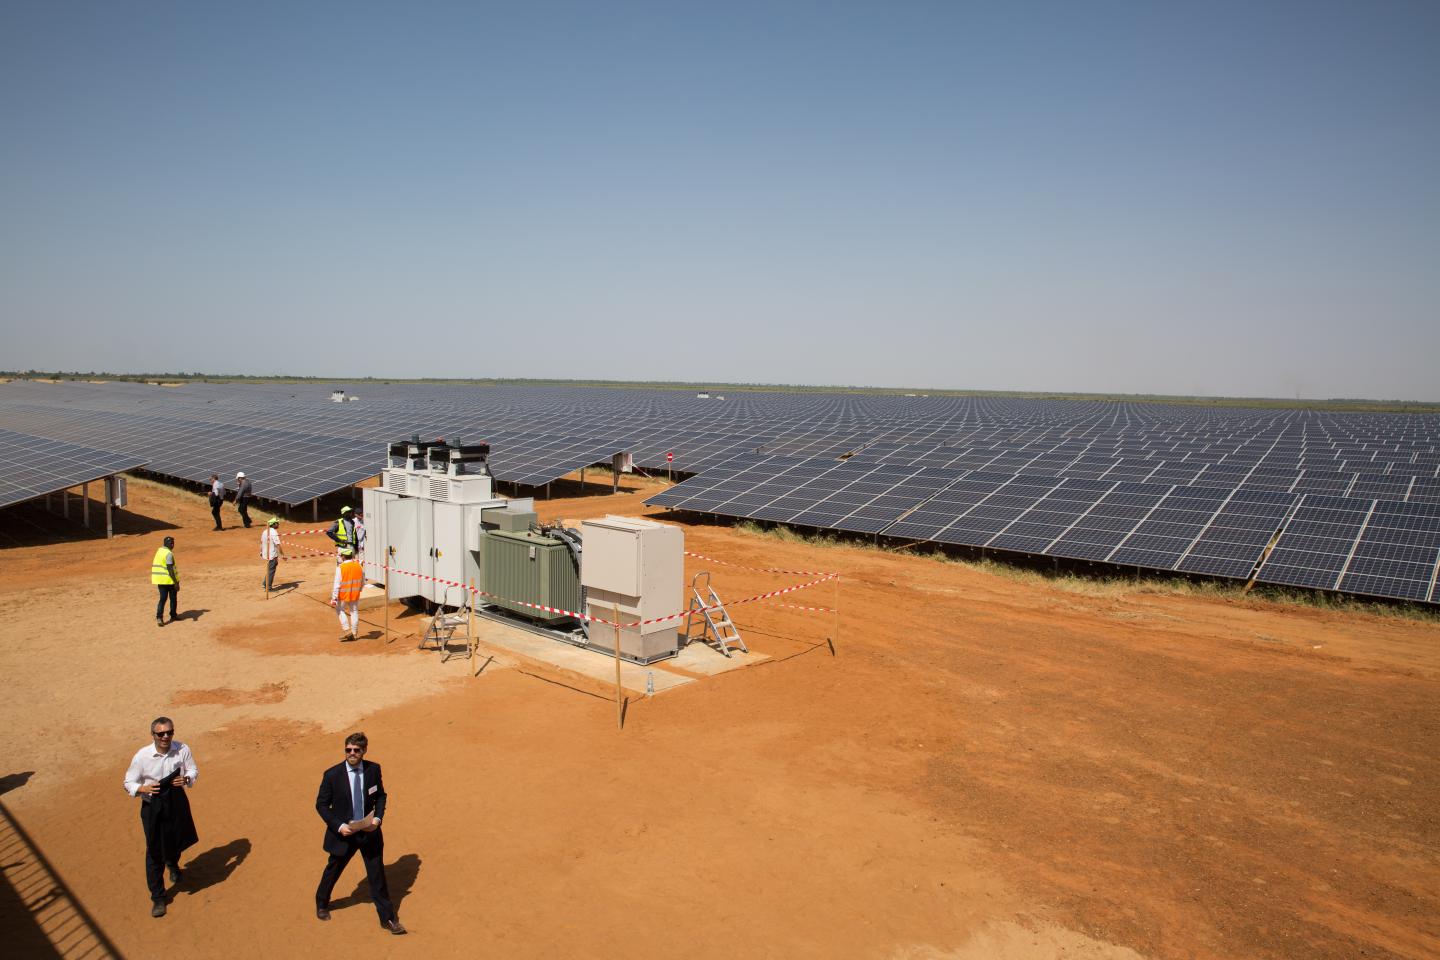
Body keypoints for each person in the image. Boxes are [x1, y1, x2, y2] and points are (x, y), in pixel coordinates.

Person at [314, 732, 405, 934]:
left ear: (364, 751)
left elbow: (380, 796)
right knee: (334, 869)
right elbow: (321, 805)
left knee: (377, 875)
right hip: (344, 833)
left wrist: (377, 819)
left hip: (369, 831)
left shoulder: (373, 769)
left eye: (356, 750)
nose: (351, 753)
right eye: (348, 750)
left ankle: (388, 919)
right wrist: (339, 826)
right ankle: (322, 902)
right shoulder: (332, 775)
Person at [123, 716, 199, 918]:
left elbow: (193, 769)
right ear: (153, 735)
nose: (166, 736)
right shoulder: (142, 756)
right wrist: (143, 788)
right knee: (154, 851)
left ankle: (173, 864)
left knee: (177, 839)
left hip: (176, 802)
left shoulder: (182, 749)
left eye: (169, 732)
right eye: (161, 733)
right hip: (152, 806)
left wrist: (187, 778)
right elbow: (128, 782)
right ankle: (158, 897)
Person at [330, 546, 364, 641]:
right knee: (354, 612)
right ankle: (354, 633)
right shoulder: (358, 565)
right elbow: (363, 580)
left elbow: (337, 585)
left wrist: (334, 598)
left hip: (343, 595)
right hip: (355, 593)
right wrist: (359, 589)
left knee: (340, 610)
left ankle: (346, 629)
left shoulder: (340, 568)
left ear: (344, 556)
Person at [151, 536, 179, 626]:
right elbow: (170, 568)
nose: (173, 545)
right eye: (172, 543)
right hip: (169, 580)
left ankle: (159, 618)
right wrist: (175, 582)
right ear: (170, 544)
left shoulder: (159, 551)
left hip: (160, 580)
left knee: (162, 599)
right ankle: (173, 615)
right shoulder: (169, 554)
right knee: (173, 598)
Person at [261, 517, 285, 592]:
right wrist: (283, 555)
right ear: (274, 524)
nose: (278, 524)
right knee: (271, 570)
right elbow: (278, 544)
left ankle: (265, 583)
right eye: (277, 523)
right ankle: (269, 587)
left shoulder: (265, 531)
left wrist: (261, 552)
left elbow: (261, 542)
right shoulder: (274, 532)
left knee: (269, 569)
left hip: (266, 553)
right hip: (272, 554)